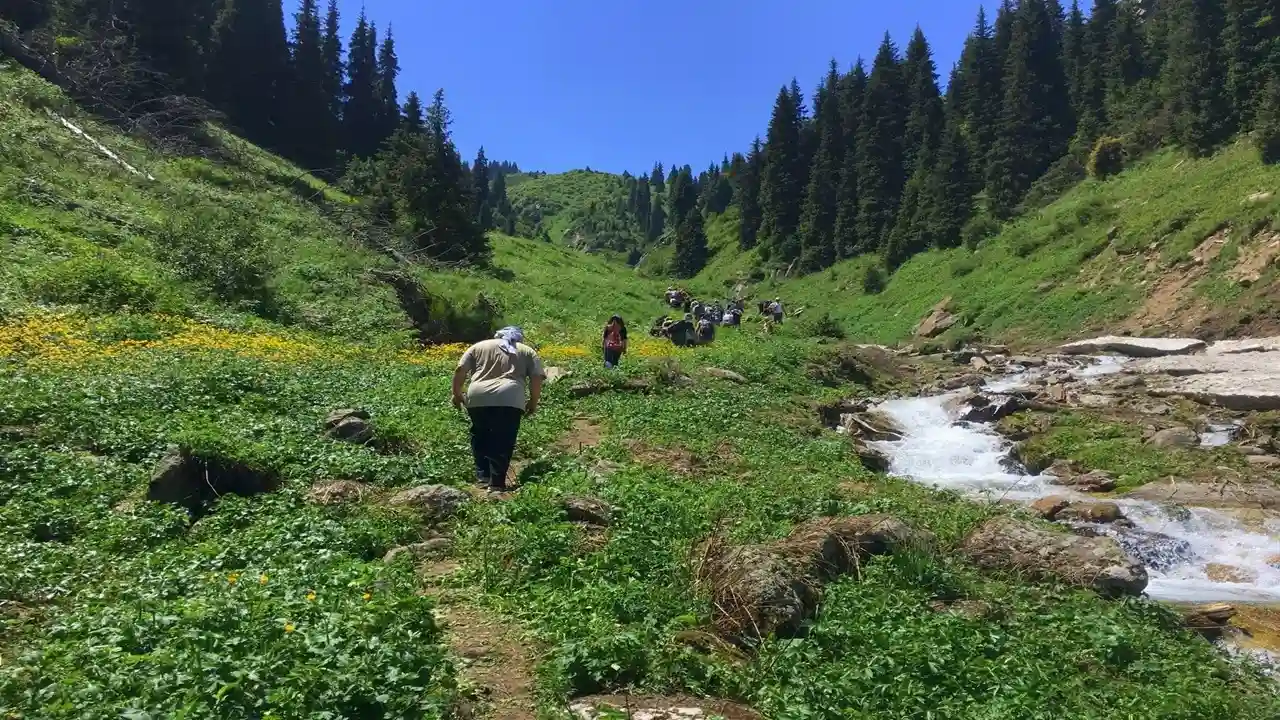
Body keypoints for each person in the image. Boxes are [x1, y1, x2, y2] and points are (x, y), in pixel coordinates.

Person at [452, 327, 544, 492]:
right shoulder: (527, 351)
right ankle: (496, 483)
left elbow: (460, 370)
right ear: (519, 338)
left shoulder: (478, 346)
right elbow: (536, 377)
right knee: (503, 438)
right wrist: (533, 401)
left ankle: (483, 477)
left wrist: (457, 393)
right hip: (510, 397)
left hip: (478, 396)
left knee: (480, 435)